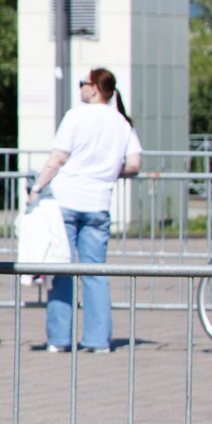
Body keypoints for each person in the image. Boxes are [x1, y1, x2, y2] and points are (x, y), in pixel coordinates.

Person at [29, 66, 144, 353]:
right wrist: (105, 170)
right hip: (98, 203)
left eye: (82, 83)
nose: (79, 88)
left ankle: (59, 339)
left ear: (93, 87)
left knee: (60, 270)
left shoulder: (75, 115)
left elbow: (58, 157)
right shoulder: (121, 122)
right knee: (95, 274)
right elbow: (133, 164)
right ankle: (97, 340)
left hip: (67, 200)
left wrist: (36, 188)